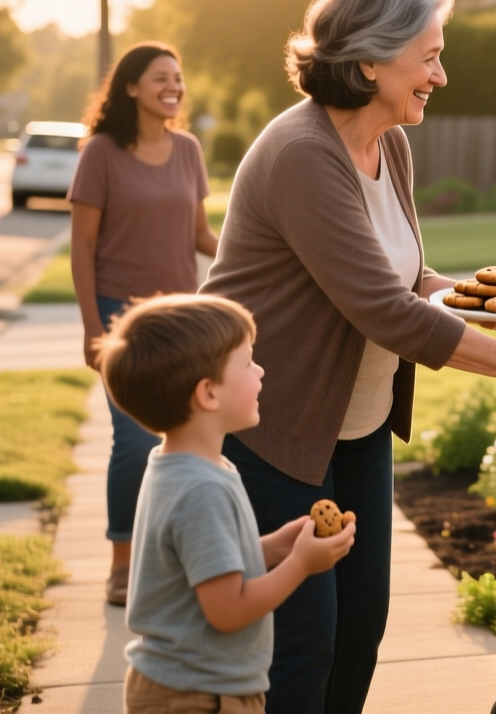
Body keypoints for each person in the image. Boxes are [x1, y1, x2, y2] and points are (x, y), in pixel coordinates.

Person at [200, 0, 496, 713]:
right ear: (368, 63)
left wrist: (481, 305)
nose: (441, 76)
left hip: (355, 429)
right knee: (304, 642)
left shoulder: (388, 144)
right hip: (274, 425)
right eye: (429, 58)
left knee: (360, 628)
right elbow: (385, 312)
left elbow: (405, 278)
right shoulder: (302, 153)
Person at [95, 293, 355, 714]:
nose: (261, 370)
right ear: (208, 394)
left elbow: (203, 567)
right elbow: (228, 610)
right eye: (248, 362)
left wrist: (273, 548)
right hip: (195, 698)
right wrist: (300, 564)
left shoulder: (184, 466)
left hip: (193, 687)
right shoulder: (201, 489)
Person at [69, 41, 220, 607]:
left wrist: (256, 255)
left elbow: (200, 235)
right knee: (133, 443)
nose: (173, 87)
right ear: (131, 87)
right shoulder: (101, 153)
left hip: (183, 317)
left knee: (189, 439)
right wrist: (93, 328)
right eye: (160, 77)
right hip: (121, 318)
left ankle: (180, 555)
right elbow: (82, 248)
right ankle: (122, 561)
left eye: (177, 78)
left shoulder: (188, 149)